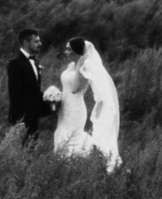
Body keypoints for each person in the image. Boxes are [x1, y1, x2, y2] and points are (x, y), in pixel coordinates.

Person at [50, 37, 121, 172]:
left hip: (76, 111)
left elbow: (75, 89)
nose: (65, 52)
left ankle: (74, 170)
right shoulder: (70, 66)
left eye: (68, 49)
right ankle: (62, 171)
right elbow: (66, 87)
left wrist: (78, 68)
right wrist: (55, 96)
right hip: (64, 109)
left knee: (72, 141)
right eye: (65, 49)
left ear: (77, 52)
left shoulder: (85, 68)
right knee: (62, 136)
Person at [4, 27, 55, 142]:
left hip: (34, 116)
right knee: (21, 152)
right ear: (26, 43)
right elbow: (14, 95)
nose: (40, 44)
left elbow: (34, 91)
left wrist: (50, 102)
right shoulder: (15, 64)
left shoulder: (35, 62)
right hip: (22, 118)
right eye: (36, 41)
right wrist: (19, 121)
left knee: (31, 151)